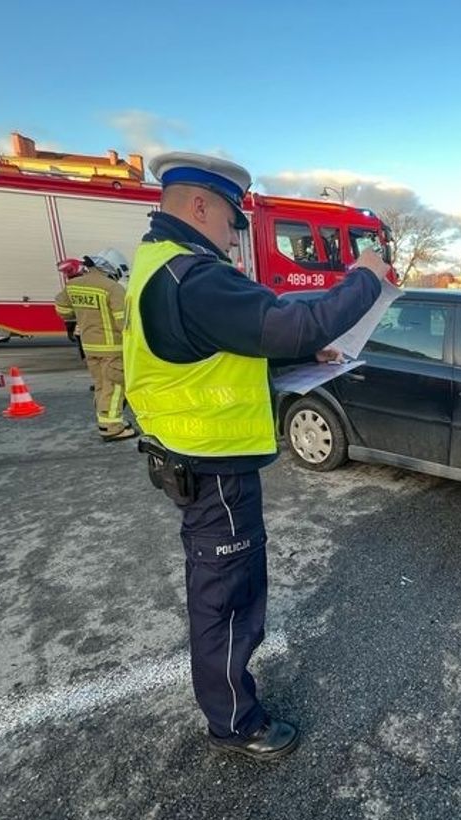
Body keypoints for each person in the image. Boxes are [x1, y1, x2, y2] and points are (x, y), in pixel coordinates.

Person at [122, 152, 390, 761]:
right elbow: (293, 322)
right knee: (227, 599)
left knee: (224, 592)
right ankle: (234, 722)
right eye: (229, 220)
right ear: (199, 207)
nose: (232, 233)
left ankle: (230, 707)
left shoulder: (160, 266)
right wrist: (366, 276)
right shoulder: (195, 275)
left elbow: (209, 350)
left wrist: (294, 355)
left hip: (194, 459)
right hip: (214, 469)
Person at [54, 250, 137, 441]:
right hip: (112, 347)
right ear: (110, 268)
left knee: (101, 385)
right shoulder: (112, 288)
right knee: (114, 386)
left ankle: (106, 420)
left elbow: (63, 311)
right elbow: (123, 323)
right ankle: (112, 428)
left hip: (89, 346)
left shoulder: (73, 285)